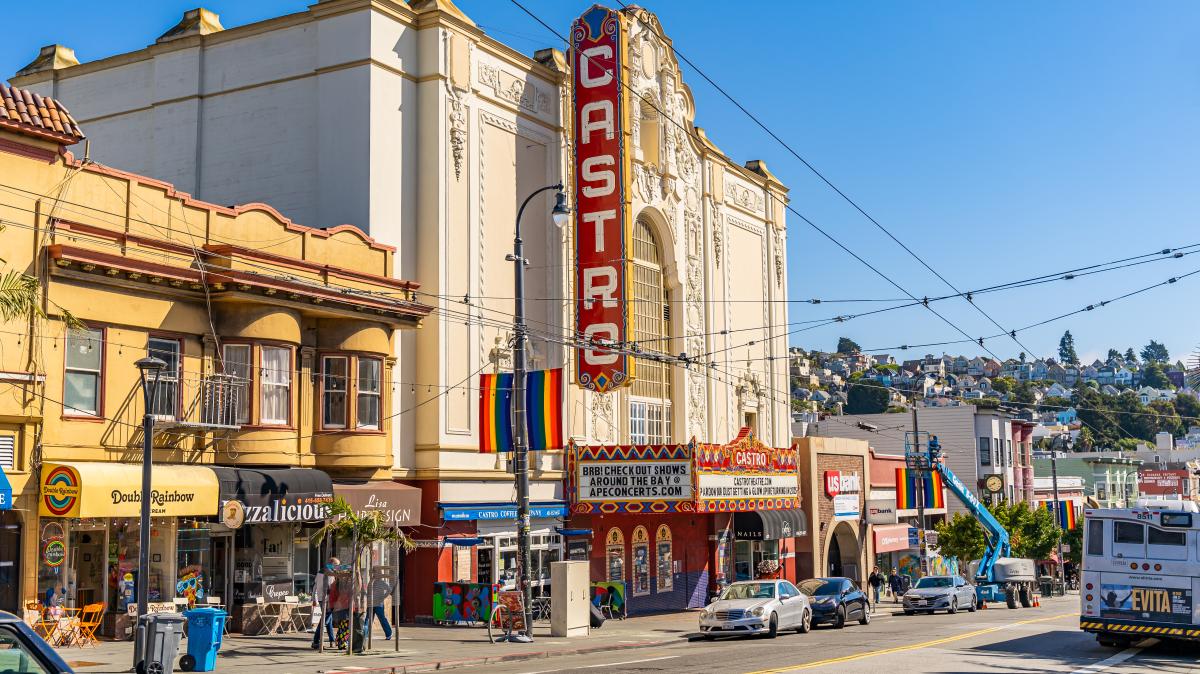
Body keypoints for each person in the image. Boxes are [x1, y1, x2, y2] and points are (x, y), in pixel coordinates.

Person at [311, 558, 338, 649]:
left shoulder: (320, 572)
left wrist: (314, 598)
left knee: (328, 620)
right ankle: (315, 641)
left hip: (321, 598)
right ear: (332, 564)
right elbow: (332, 588)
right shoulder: (330, 573)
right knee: (325, 620)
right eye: (336, 565)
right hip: (327, 599)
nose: (337, 567)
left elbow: (315, 585)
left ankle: (332, 641)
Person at [366, 573, 395, 640]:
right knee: (377, 619)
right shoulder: (375, 582)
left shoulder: (375, 582)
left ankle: (366, 635)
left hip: (375, 603)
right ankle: (388, 634)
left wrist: (383, 597)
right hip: (375, 604)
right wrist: (383, 597)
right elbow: (390, 590)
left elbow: (390, 590)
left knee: (372, 619)